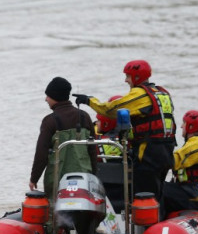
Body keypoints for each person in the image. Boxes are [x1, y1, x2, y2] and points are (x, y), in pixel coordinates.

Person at [75, 60, 176, 200]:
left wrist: (89, 100)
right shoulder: (162, 93)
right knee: (156, 191)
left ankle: (145, 221)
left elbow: (110, 109)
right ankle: (158, 215)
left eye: (128, 76)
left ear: (136, 77)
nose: (126, 80)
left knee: (143, 193)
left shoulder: (140, 94)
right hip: (167, 151)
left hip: (149, 152)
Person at [29, 77, 98, 198]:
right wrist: (94, 176)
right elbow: (92, 150)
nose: (46, 99)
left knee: (55, 211)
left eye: (48, 96)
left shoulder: (49, 121)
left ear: (55, 96)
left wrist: (34, 178)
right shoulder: (85, 117)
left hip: (58, 180)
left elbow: (41, 154)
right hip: (84, 178)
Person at [161, 110, 198, 217]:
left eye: (184, 123)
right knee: (164, 187)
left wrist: (150, 158)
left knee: (156, 189)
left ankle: (152, 225)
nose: (181, 126)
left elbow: (172, 161)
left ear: (191, 127)